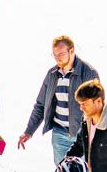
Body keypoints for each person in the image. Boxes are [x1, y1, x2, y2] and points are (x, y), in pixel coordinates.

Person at [17, 35, 98, 169]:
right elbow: (41, 105)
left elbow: (96, 108)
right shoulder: (52, 74)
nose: (57, 58)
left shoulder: (88, 73)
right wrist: (28, 131)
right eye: (54, 55)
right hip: (59, 136)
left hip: (82, 137)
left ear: (71, 51)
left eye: (61, 54)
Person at [61, 81, 107, 172]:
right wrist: (64, 164)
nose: (81, 108)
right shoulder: (86, 121)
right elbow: (78, 146)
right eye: (80, 104)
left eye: (85, 104)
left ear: (98, 101)